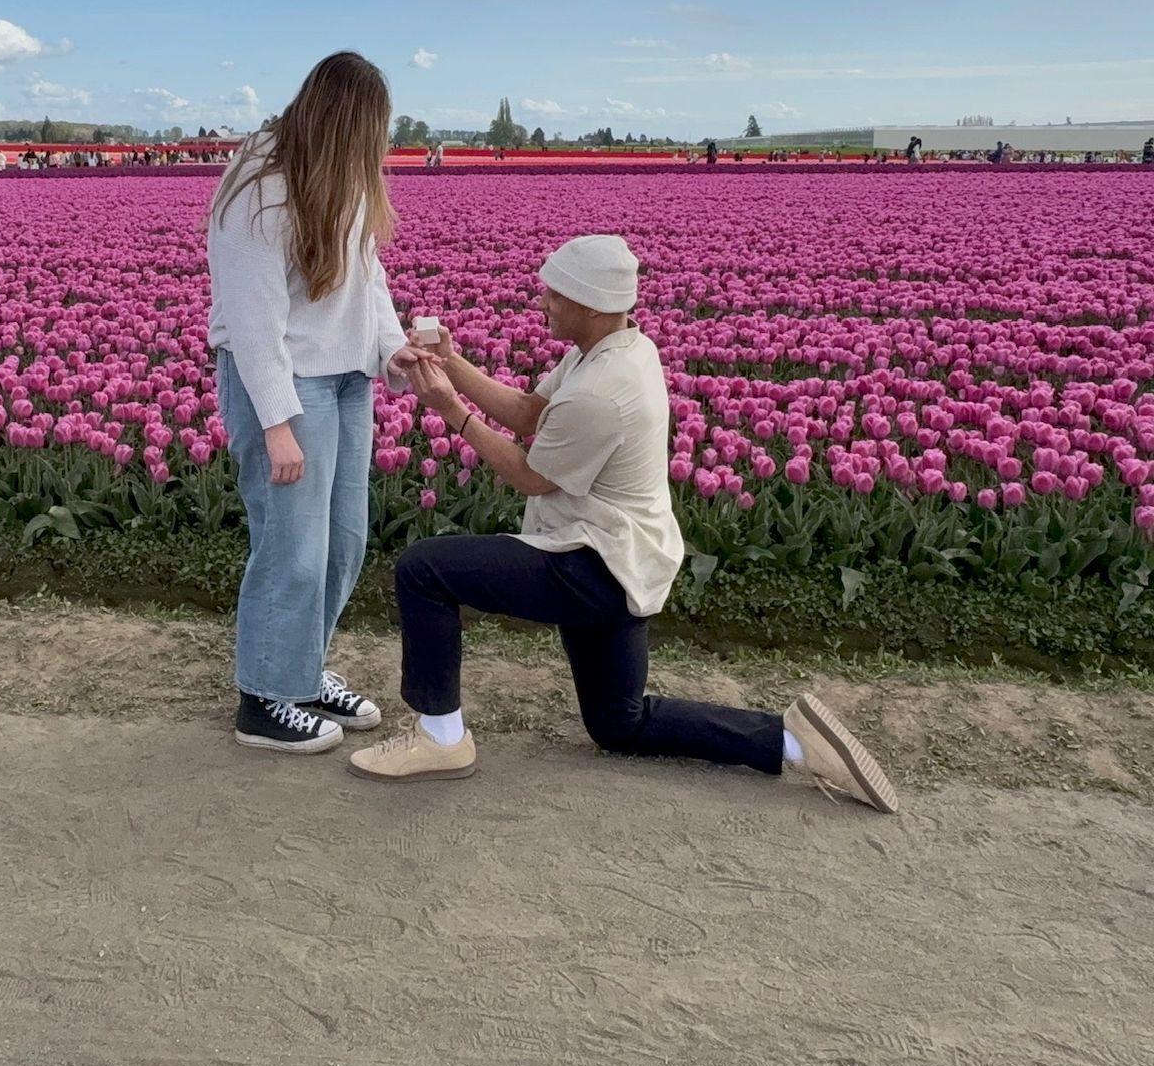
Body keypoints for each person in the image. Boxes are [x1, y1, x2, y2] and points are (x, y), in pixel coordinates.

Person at [347, 234, 900, 815]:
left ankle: (440, 739)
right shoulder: (617, 349)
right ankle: (790, 741)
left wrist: (448, 410)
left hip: (590, 565)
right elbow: (529, 413)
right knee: (618, 723)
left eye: (555, 296)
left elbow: (531, 476)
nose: (544, 305)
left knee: (424, 569)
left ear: (589, 305)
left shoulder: (602, 393)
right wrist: (452, 362)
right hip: (627, 558)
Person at [207, 51, 436, 755]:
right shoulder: (261, 188)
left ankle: (300, 673)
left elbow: (366, 279)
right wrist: (278, 425)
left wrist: (392, 349)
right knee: (292, 548)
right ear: (345, 123)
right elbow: (252, 320)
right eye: (373, 128)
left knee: (342, 541)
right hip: (285, 385)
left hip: (346, 380)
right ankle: (263, 700)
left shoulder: (342, 180)